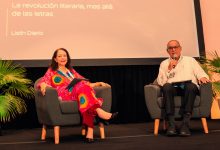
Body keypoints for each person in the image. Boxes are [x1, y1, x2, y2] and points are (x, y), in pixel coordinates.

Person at [38, 48, 118, 143]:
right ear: (55, 59)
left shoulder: (70, 70)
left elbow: (83, 82)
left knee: (85, 94)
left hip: (78, 92)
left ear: (67, 57)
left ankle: (90, 132)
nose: (63, 58)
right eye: (59, 56)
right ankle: (99, 111)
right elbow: (43, 81)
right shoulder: (52, 70)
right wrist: (43, 84)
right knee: (84, 88)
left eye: (64, 55)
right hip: (64, 93)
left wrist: (96, 83)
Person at [157, 40, 210, 136]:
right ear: (167, 51)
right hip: (173, 88)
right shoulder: (164, 64)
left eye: (175, 47)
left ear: (180, 48)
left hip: (188, 87)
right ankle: (172, 125)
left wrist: (202, 77)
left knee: (191, 86)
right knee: (167, 87)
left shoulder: (190, 60)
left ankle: (185, 124)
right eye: (170, 48)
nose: (173, 50)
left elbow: (200, 72)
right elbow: (161, 82)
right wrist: (169, 68)